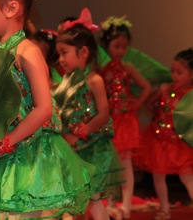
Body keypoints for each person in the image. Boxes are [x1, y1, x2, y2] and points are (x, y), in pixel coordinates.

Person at [0, 0, 95, 219]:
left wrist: (6, 142)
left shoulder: (28, 52)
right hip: (6, 153)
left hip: (33, 155)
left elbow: (44, 109)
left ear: (11, 8)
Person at [55, 14, 124, 220]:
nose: (60, 59)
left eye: (64, 53)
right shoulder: (66, 81)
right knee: (79, 201)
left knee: (90, 199)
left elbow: (104, 114)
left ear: (83, 52)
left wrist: (81, 132)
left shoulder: (94, 80)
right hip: (74, 150)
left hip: (93, 149)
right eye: (58, 53)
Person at [98, 16, 152, 219]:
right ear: (106, 45)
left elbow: (146, 87)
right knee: (113, 161)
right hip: (111, 119)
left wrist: (136, 104)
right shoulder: (102, 70)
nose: (121, 51)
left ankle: (126, 206)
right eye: (116, 46)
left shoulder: (127, 68)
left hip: (126, 119)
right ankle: (112, 203)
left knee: (125, 161)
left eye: (124, 47)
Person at [137, 48, 193, 220]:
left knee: (186, 176)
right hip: (159, 139)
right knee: (158, 175)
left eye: (180, 72)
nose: (174, 76)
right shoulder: (164, 88)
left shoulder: (190, 95)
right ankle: (164, 208)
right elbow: (149, 103)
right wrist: (158, 117)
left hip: (179, 143)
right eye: (172, 71)